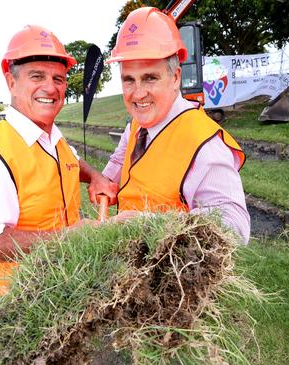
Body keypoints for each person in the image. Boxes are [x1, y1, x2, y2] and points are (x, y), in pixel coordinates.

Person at [0, 25, 116, 297]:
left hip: (71, 280)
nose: (50, 88)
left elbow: (71, 160)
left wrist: (96, 177)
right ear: (11, 81)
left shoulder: (51, 137)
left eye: (59, 79)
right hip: (25, 302)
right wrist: (68, 237)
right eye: (37, 76)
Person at [92, 7, 250, 242]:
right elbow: (120, 159)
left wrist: (148, 223)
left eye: (150, 78)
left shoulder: (203, 143)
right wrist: (105, 180)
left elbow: (235, 226)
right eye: (129, 80)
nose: (138, 93)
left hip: (173, 272)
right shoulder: (138, 123)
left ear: (175, 77)